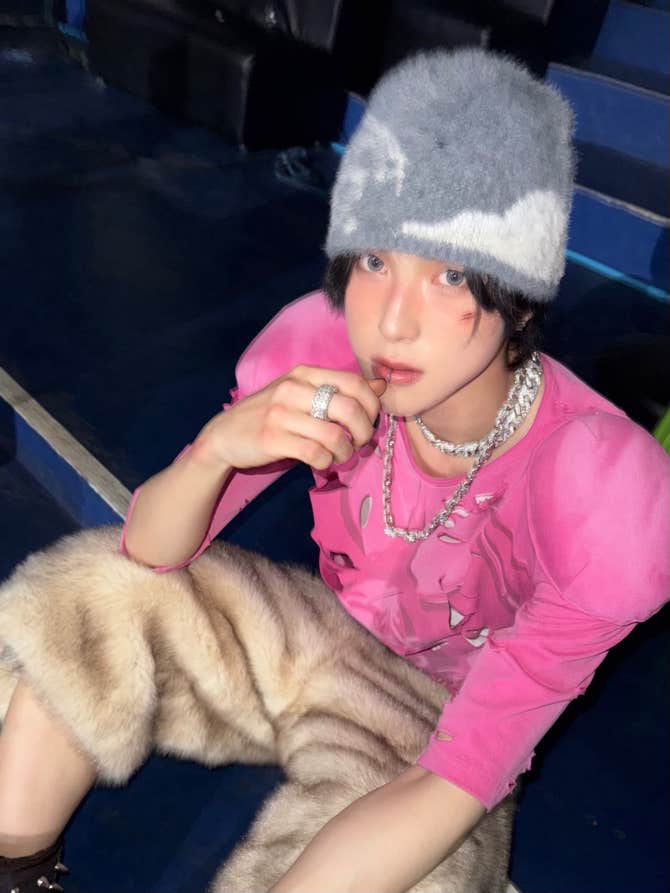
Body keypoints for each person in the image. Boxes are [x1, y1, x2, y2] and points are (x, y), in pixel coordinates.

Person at [1, 47, 669, 893]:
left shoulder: (599, 488)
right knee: (90, 599)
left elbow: (458, 778)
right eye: (375, 260)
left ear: (524, 295)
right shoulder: (320, 352)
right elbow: (147, 552)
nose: (392, 321)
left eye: (450, 273)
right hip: (316, 636)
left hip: (441, 729)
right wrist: (217, 449)